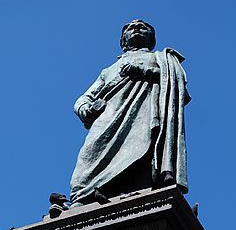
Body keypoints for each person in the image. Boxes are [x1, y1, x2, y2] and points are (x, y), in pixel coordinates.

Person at [69, 20, 190, 207]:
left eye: (142, 27)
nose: (136, 28)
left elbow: (177, 82)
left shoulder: (161, 58)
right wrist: (85, 108)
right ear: (123, 40)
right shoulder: (108, 70)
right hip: (108, 116)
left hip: (144, 114)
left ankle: (134, 193)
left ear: (151, 39)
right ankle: (81, 197)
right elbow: (83, 98)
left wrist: (142, 70)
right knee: (88, 155)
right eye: (130, 28)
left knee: (141, 152)